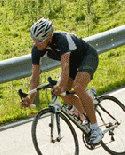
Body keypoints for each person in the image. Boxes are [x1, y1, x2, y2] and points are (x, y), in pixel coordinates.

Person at [20, 18, 104, 146]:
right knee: (65, 96)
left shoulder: (62, 40)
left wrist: (60, 86)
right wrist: (30, 98)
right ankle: (85, 118)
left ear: (49, 36)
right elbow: (35, 76)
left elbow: (65, 66)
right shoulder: (37, 49)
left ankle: (96, 129)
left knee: (78, 87)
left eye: (40, 40)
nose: (36, 43)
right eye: (34, 40)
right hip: (72, 64)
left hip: (87, 57)